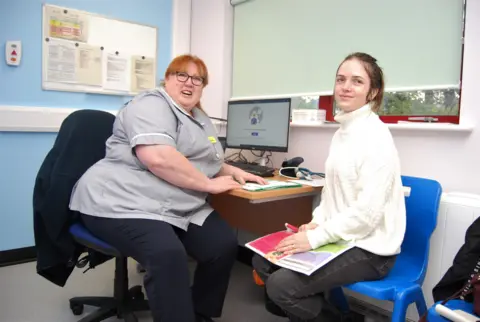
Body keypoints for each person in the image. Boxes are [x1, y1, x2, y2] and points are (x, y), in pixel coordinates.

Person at [69, 54, 266, 322]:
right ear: (167, 79)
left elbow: (204, 159)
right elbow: (158, 158)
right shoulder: (150, 104)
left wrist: (234, 171)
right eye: (181, 75)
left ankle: (199, 313)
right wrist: (208, 185)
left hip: (174, 201)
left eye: (197, 78)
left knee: (222, 245)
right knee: (167, 254)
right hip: (121, 200)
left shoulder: (198, 116)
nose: (189, 83)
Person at [252, 52, 407, 322]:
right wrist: (316, 222)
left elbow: (366, 216)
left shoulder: (376, 138)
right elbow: (333, 193)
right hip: (343, 238)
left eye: (357, 81)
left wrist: (313, 239)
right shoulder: (342, 133)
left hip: (371, 250)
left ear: (373, 92)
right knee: (263, 261)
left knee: (281, 286)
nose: (346, 87)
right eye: (341, 79)